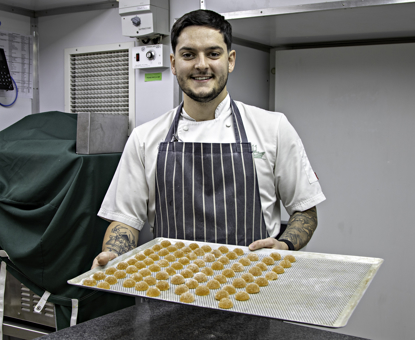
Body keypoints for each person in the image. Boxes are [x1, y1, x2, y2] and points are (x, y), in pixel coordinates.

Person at [92, 9, 325, 269]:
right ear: (172, 63)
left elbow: (304, 209)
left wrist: (285, 245)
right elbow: (125, 220)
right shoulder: (145, 138)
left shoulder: (273, 128)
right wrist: (113, 254)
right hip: (170, 289)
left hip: (253, 289)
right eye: (188, 54)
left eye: (213, 54)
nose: (201, 64)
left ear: (230, 60)